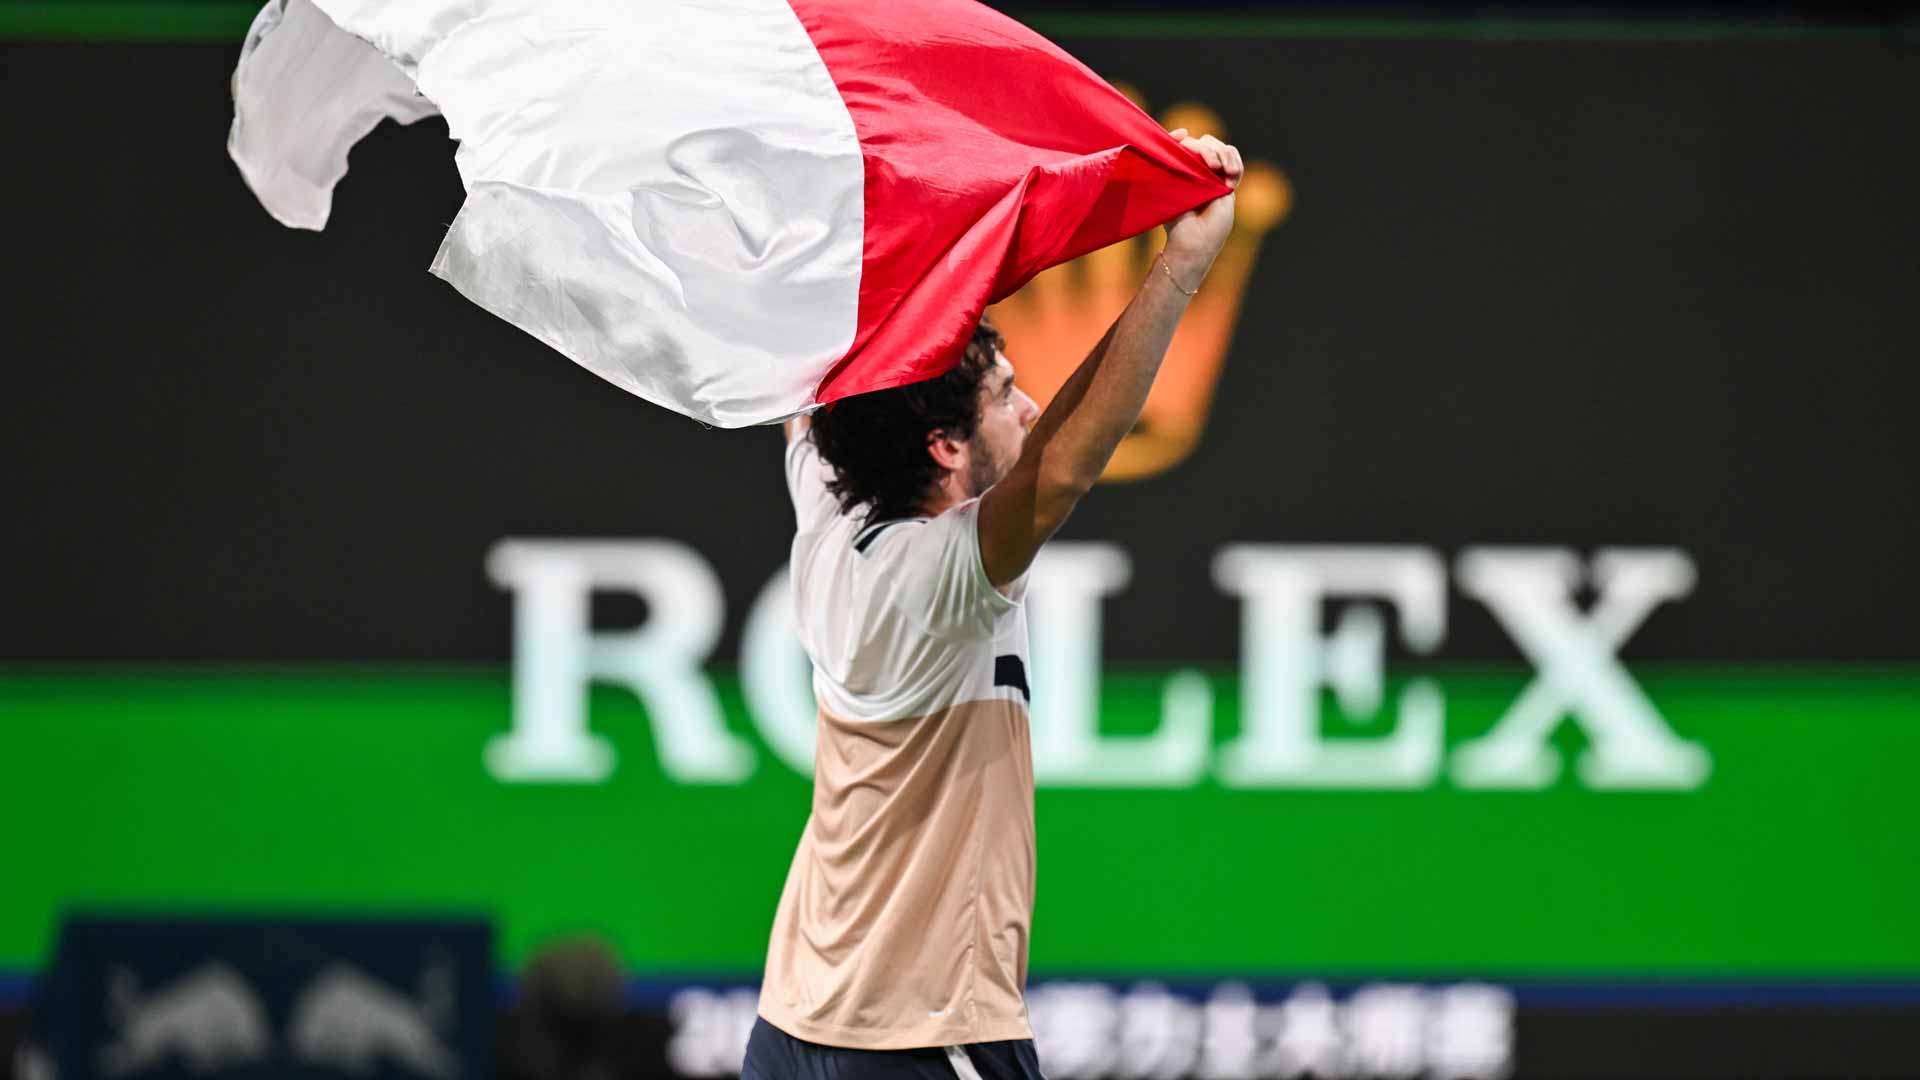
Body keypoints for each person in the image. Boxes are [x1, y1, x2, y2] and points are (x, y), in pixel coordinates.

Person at [745, 130, 1243, 1080]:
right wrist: (1179, 266)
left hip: (791, 1026)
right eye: (1007, 395)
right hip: (919, 1038)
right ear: (941, 447)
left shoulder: (825, 502)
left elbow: (823, 374)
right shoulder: (937, 580)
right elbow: (1061, 468)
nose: (1028, 408)